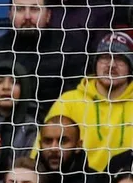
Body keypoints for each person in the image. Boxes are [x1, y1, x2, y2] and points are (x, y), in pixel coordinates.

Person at [43, 32, 133, 172]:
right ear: (95, 64)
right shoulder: (68, 102)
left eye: (120, 59)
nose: (111, 65)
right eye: (105, 57)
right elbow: (41, 152)